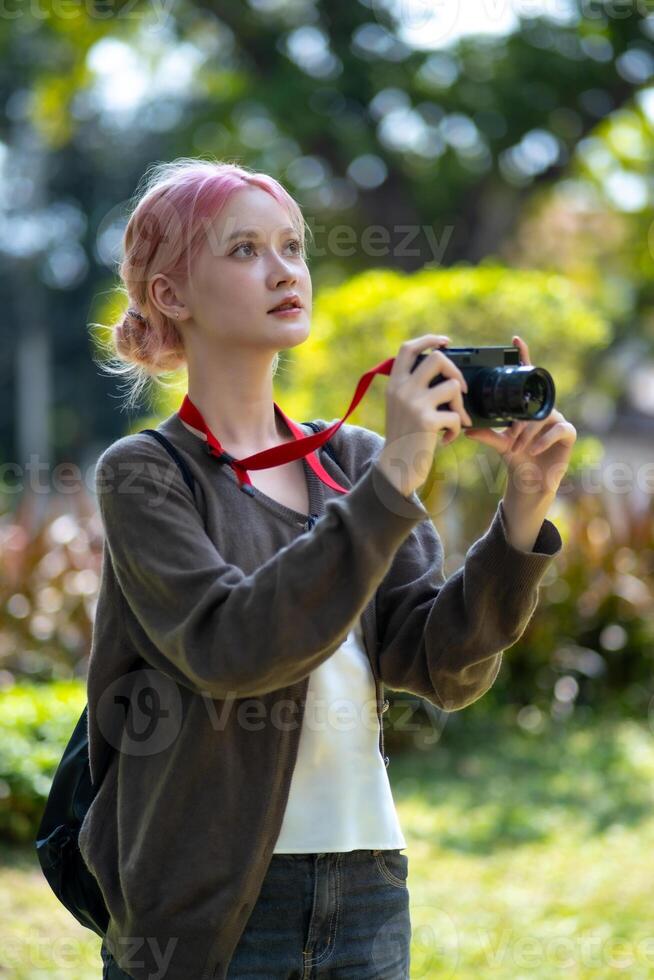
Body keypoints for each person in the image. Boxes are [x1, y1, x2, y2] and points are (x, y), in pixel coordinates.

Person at [85, 157, 573, 980]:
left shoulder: (353, 458)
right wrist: (392, 486)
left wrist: (523, 508)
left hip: (368, 886)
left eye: (293, 247)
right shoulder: (146, 473)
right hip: (206, 903)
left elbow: (441, 666)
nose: (284, 271)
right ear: (170, 295)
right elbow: (230, 648)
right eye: (244, 251)